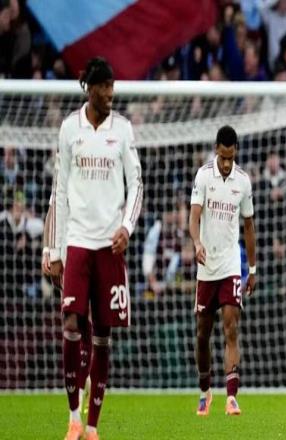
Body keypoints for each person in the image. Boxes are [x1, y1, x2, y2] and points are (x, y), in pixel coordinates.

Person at [47, 57, 143, 440]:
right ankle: (73, 416)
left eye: (112, 86)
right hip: (77, 242)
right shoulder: (70, 128)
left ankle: (92, 426)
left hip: (109, 246)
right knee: (71, 323)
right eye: (103, 87)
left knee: (103, 334)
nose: (109, 93)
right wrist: (55, 250)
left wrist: (127, 227)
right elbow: (59, 190)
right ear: (89, 88)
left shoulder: (123, 130)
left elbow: (137, 184)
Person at [189, 125, 256, 416]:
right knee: (203, 334)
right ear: (216, 149)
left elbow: (249, 226)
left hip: (230, 264)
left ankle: (231, 396)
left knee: (231, 327)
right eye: (223, 157)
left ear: (235, 151)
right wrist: (196, 243)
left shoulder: (243, 181)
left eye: (231, 158)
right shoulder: (204, 176)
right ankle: (205, 391)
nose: (227, 163)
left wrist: (252, 268)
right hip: (207, 266)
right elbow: (194, 216)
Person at [42, 200, 92, 417]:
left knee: (88, 319)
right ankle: (81, 381)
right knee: (73, 321)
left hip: (91, 245)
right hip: (65, 251)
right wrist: (47, 250)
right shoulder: (61, 179)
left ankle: (80, 388)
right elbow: (52, 211)